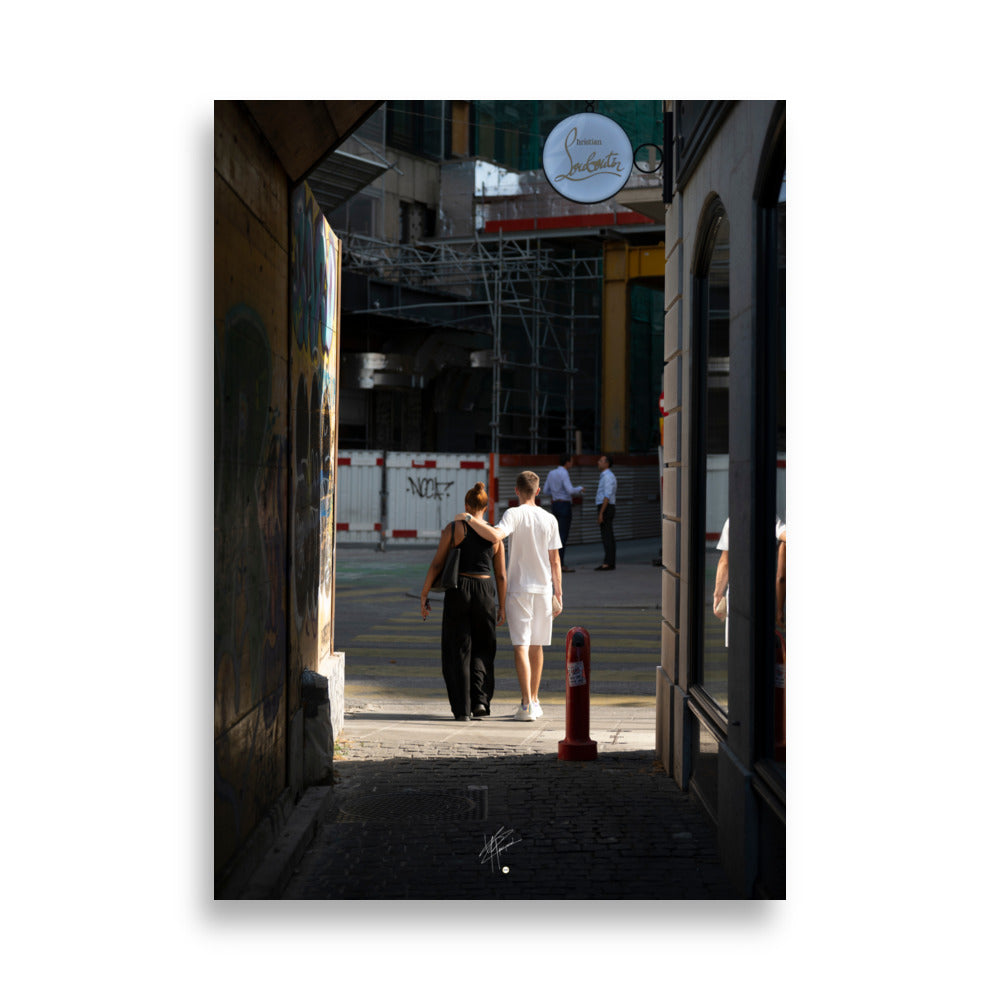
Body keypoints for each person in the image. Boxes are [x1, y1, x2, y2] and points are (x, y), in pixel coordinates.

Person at [458, 470, 562, 721]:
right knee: (537, 646)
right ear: (538, 491)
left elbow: (496, 536)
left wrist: (470, 519)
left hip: (519, 590)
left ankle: (526, 704)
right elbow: (555, 560)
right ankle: (534, 700)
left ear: (516, 490)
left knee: (521, 646)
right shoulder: (550, 519)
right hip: (543, 589)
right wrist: (558, 593)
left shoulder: (513, 514)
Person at [420, 482, 507, 721]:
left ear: (467, 505)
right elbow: (501, 574)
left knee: (459, 649)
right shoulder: (494, 534)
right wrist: (502, 606)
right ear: (486, 507)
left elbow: (438, 563)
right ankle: (480, 700)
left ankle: (461, 709)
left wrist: (424, 593)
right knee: (483, 647)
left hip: (459, 589)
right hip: (485, 589)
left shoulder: (455, 528)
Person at [712, 516, 787, 646]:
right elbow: (784, 534)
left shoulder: (732, 520)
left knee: (738, 645)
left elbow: (725, 561)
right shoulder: (769, 517)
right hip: (763, 595)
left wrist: (718, 595)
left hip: (738, 594)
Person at [542, 453, 584, 572]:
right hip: (564, 505)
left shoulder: (551, 473)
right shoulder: (564, 473)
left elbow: (545, 490)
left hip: (555, 504)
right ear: (567, 462)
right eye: (571, 461)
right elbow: (570, 490)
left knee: (554, 535)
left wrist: (556, 493)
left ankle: (552, 563)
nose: (572, 464)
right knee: (562, 536)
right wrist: (580, 489)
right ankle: (560, 564)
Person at [594, 454, 617, 571]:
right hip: (606, 507)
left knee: (607, 535)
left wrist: (601, 513)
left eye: (601, 461)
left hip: (606, 507)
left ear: (607, 463)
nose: (598, 462)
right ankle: (609, 561)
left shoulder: (607, 477)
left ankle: (608, 563)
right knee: (607, 535)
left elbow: (607, 496)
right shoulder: (605, 476)